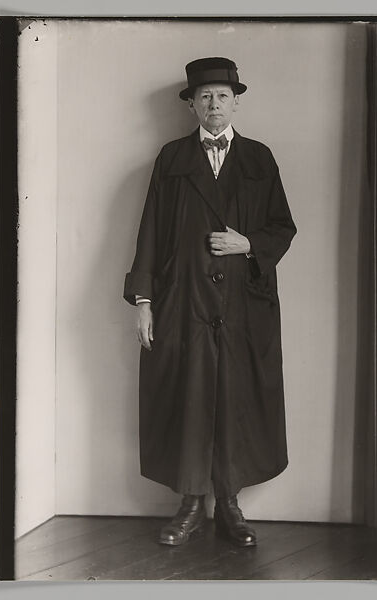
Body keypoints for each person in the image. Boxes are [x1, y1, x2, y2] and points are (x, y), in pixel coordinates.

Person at [123, 57, 297, 548]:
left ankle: (230, 505)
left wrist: (248, 245)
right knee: (190, 396)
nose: (213, 104)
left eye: (222, 95)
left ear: (236, 101)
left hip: (244, 304)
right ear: (192, 105)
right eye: (204, 97)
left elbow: (284, 227)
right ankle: (191, 505)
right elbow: (150, 233)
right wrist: (144, 299)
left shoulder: (260, 158)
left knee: (236, 400)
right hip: (185, 303)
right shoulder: (172, 158)